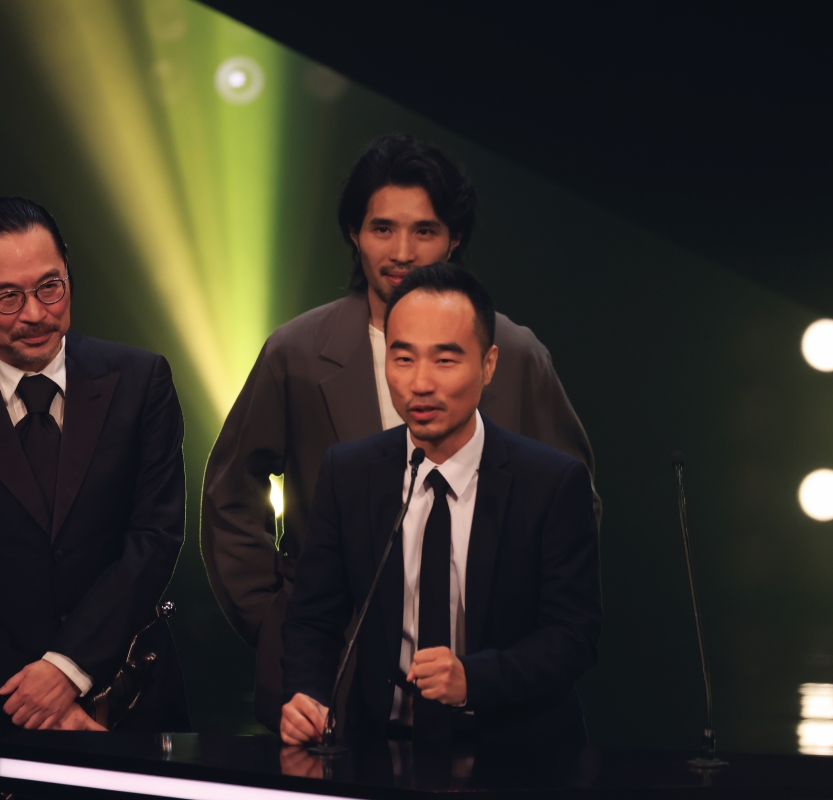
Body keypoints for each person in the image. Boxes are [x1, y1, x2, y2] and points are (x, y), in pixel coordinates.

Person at [202, 134, 599, 732]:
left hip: (495, 675)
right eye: (382, 229)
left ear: (454, 238)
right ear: (354, 234)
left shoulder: (516, 352)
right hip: (340, 673)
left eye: (425, 230)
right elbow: (230, 492)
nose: (402, 252)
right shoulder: (298, 351)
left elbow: (572, 501)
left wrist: (519, 636)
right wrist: (272, 618)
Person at [0, 197, 190, 797]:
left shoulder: (141, 380)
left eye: (50, 287)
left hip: (127, 696)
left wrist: (67, 670)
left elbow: (154, 539)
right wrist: (34, 696)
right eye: (7, 296)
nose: (35, 314)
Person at [279, 263, 601, 747]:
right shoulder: (349, 472)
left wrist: (473, 679)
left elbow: (572, 636)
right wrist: (308, 694)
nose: (420, 383)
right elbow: (312, 619)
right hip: (379, 752)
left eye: (445, 360)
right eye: (402, 359)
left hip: (515, 752)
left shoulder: (551, 484)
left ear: (488, 364)